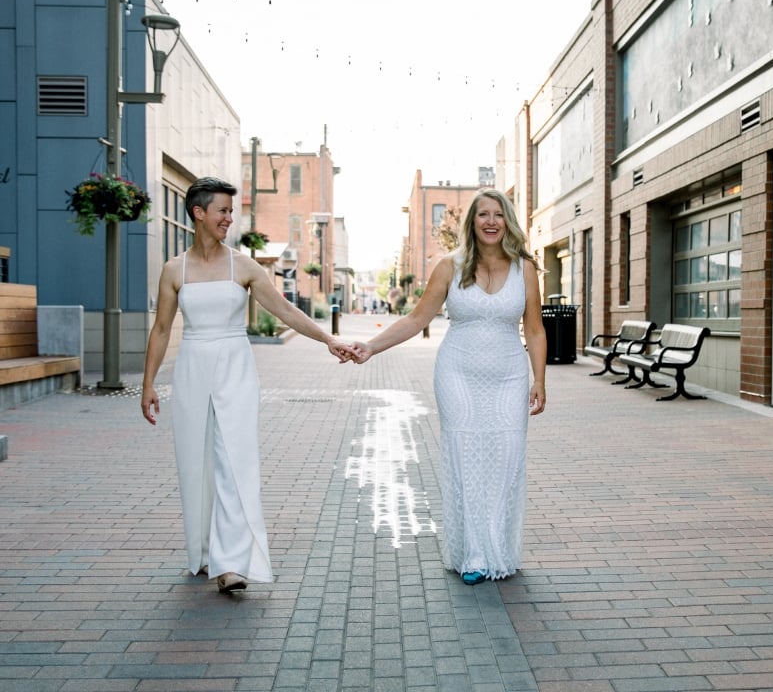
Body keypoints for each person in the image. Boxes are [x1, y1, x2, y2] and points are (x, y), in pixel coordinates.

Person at [141, 177, 357, 593]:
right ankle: (205, 551)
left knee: (233, 461)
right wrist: (149, 383)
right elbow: (162, 329)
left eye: (230, 210)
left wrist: (329, 339)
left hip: (236, 370)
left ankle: (231, 562)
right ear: (198, 213)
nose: (229, 217)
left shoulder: (244, 265)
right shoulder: (174, 269)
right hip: (192, 371)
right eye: (222, 210)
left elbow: (284, 310)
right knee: (195, 462)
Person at [350, 189, 547, 585]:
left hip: (509, 376)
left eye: (498, 214)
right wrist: (370, 347)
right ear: (472, 222)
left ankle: (499, 548)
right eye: (483, 215)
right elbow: (416, 318)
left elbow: (535, 327)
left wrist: (539, 378)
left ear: (507, 221)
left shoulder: (525, 268)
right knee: (466, 460)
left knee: (506, 462)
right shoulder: (449, 267)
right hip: (458, 373)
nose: (491, 222)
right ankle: (474, 553)